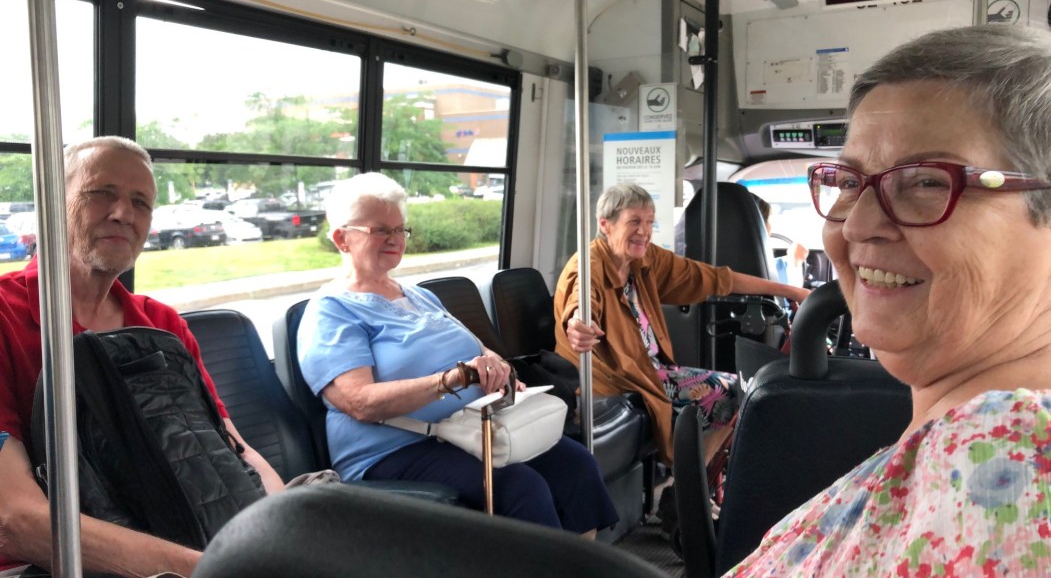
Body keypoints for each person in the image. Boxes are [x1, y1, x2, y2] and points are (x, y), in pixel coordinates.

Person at [727, 24, 1051, 576]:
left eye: (926, 181)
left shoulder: (1014, 469)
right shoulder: (961, 442)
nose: (858, 225)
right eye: (848, 180)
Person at [0, 136, 285, 578]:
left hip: (190, 537)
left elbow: (232, 446)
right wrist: (219, 569)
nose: (123, 214)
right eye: (101, 194)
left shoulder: (161, 325)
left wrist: (286, 529)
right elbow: (15, 520)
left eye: (140, 202)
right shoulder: (4, 316)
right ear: (52, 201)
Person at [296, 172, 618, 536]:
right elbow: (359, 402)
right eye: (380, 230)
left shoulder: (419, 296)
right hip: (393, 450)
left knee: (574, 464)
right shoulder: (332, 311)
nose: (395, 240)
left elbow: (479, 350)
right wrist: (453, 379)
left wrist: (496, 366)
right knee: (517, 486)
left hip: (461, 431)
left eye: (400, 230)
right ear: (342, 238)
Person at [553, 183, 810, 465]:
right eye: (634, 222)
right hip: (616, 379)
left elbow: (717, 278)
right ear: (606, 224)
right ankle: (686, 489)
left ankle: (693, 480)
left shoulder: (643, 261)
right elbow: (579, 303)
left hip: (650, 370)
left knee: (744, 388)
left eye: (649, 222)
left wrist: (794, 292)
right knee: (735, 391)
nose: (644, 231)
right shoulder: (588, 265)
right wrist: (579, 324)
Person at [752, 194, 810, 289]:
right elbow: (790, 300)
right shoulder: (763, 269)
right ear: (760, 226)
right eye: (769, 221)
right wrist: (795, 265)